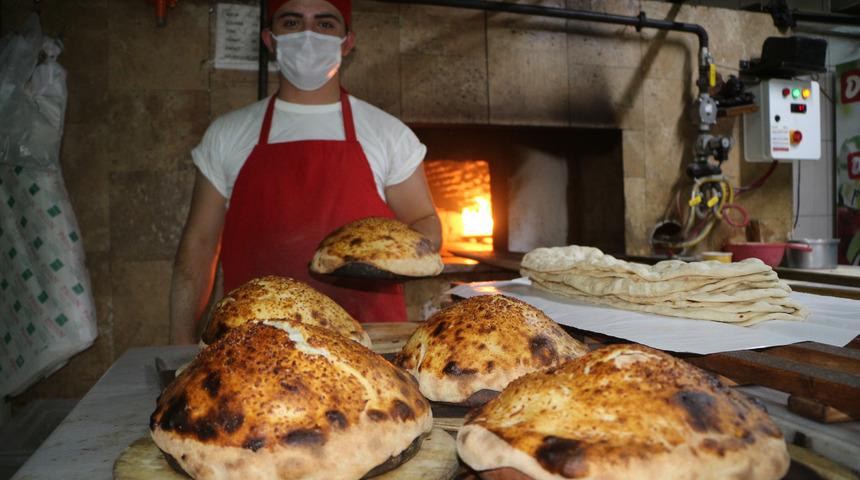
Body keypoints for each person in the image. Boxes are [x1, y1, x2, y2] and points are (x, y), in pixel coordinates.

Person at [168, 0, 441, 344]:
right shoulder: (228, 133)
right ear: (270, 39)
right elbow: (198, 246)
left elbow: (424, 222)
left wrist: (398, 255)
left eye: (325, 25)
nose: (308, 36)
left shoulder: (388, 133)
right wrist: (178, 345)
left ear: (347, 42)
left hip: (369, 343)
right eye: (293, 22)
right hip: (253, 345)